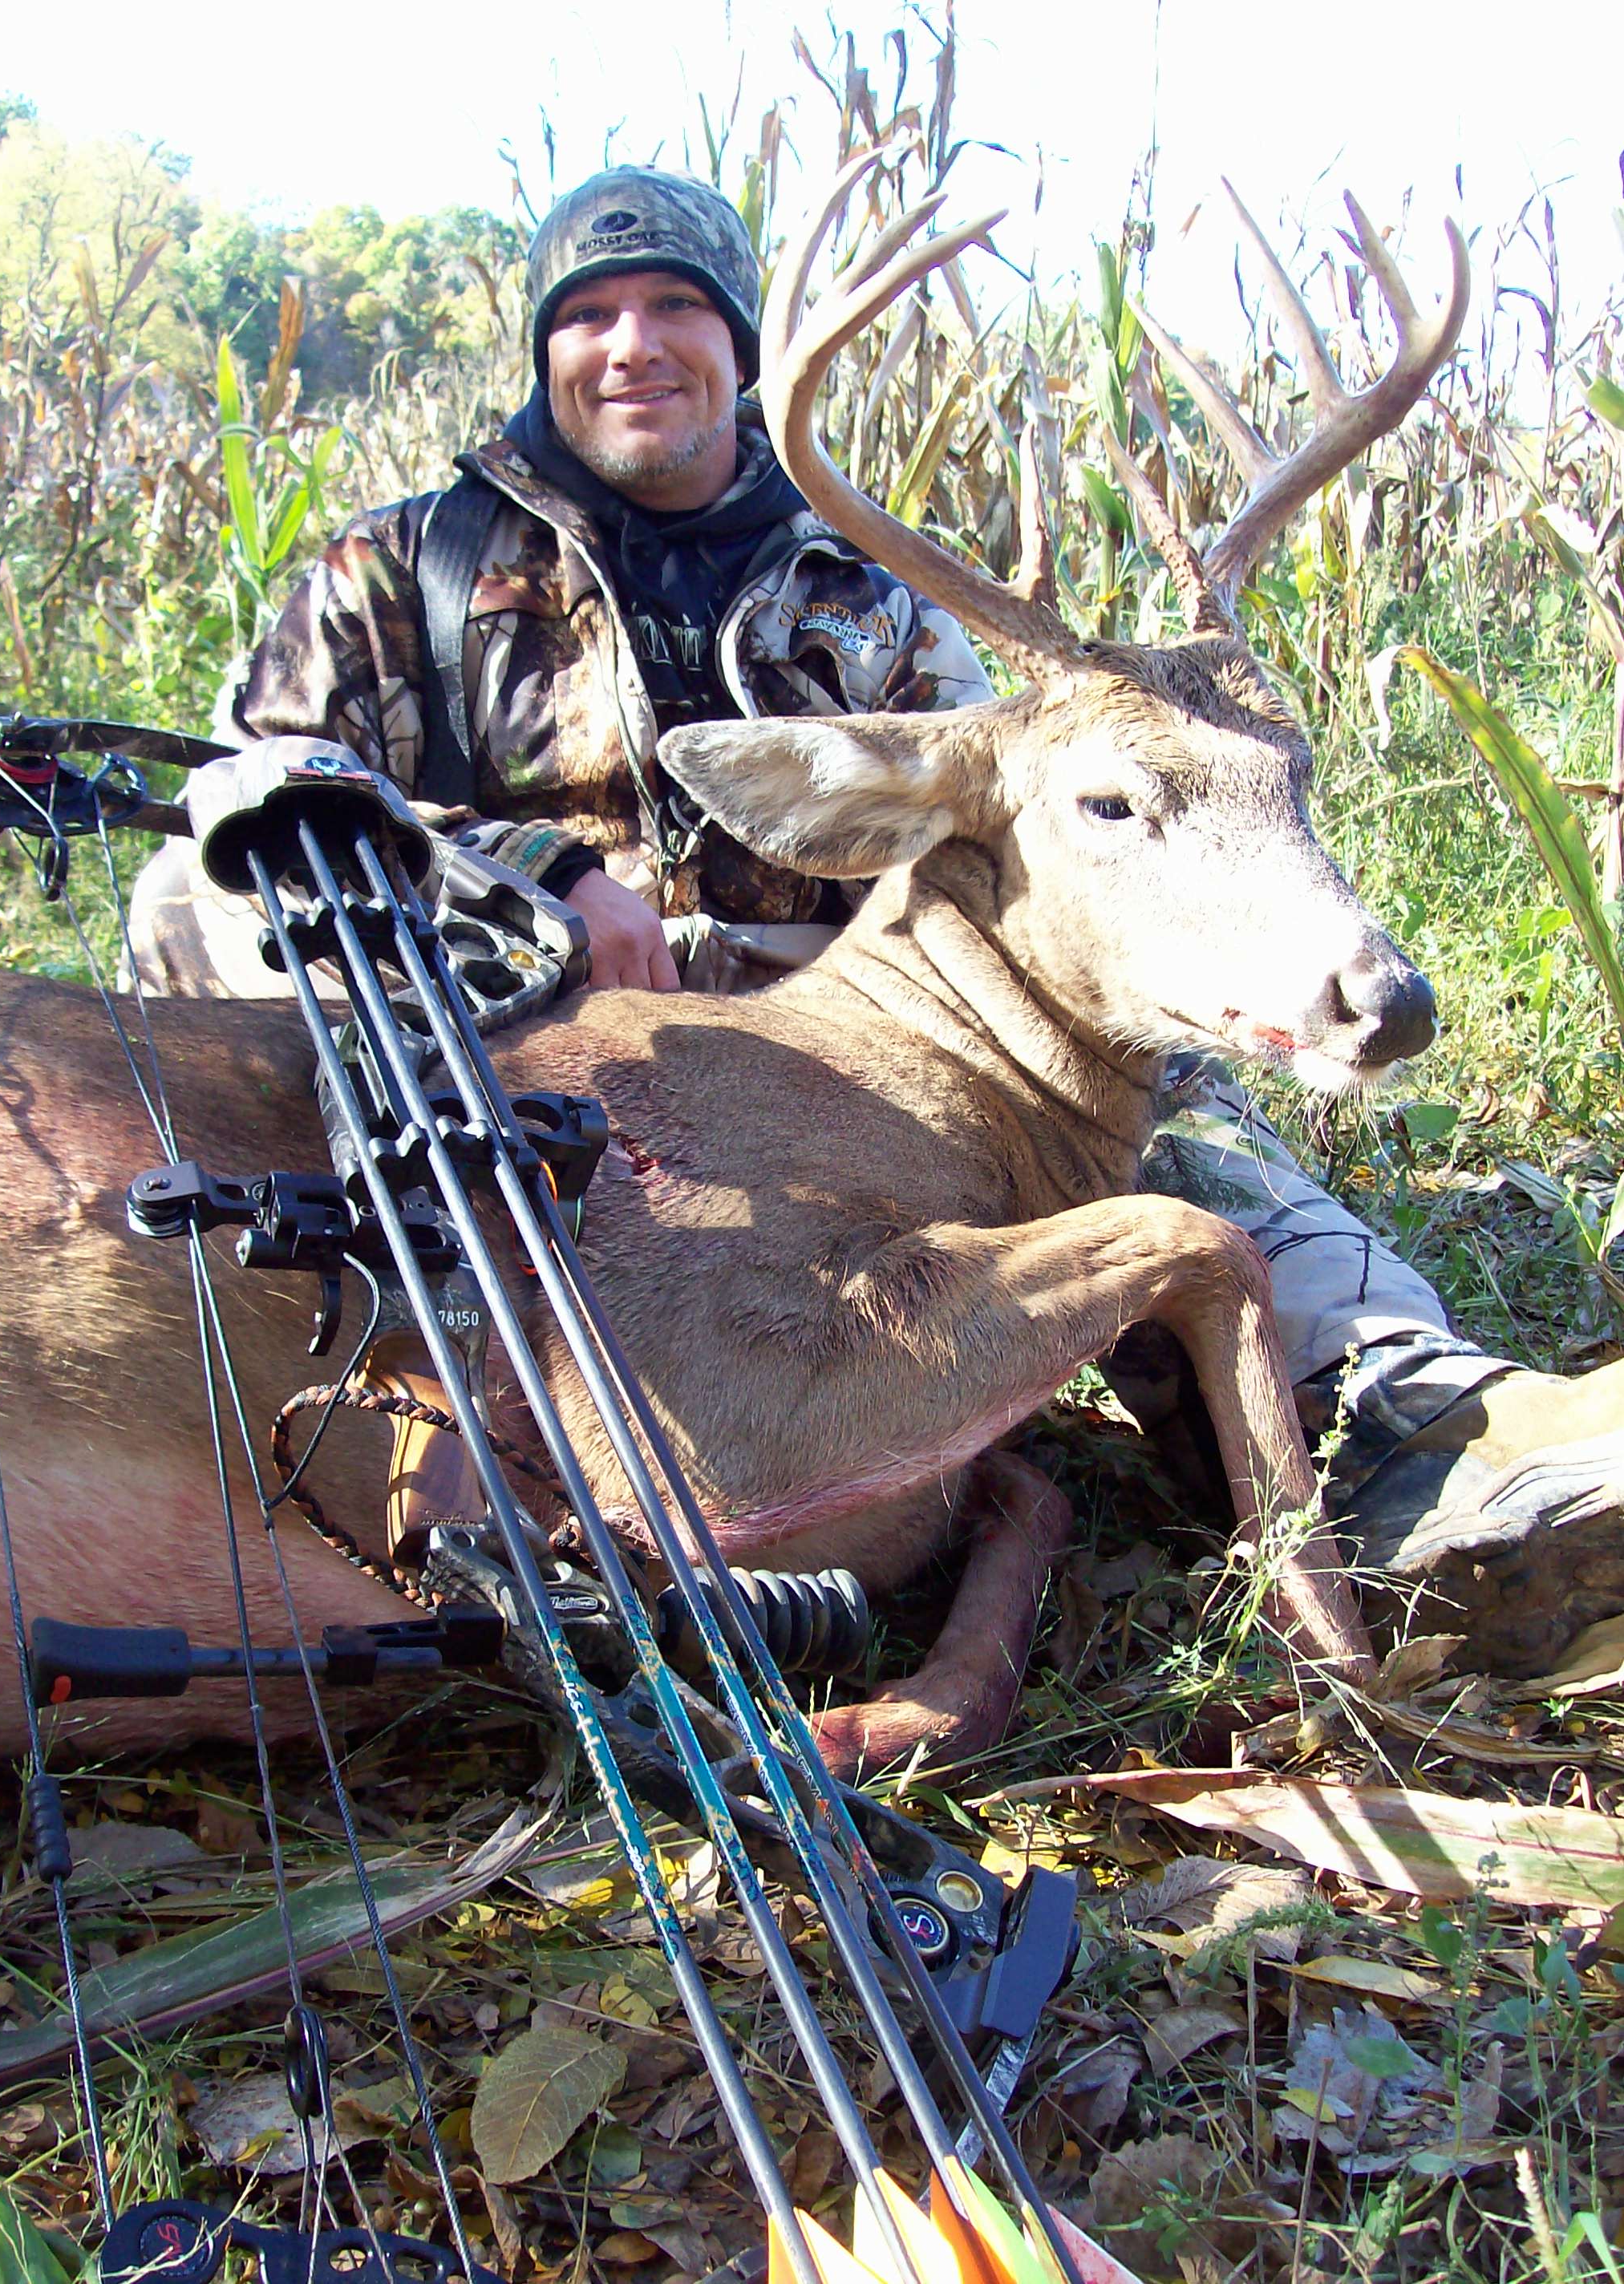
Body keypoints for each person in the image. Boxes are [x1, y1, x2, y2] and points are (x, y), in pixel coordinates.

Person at [130, 164, 1623, 1676]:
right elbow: (246, 783)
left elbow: (1008, 832)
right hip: (495, 1009)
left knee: (1156, 1104)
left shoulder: (867, 590)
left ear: (737, 344)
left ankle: (1421, 1422)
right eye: (589, 313)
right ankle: (242, 1263)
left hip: (830, 1033)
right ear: (546, 349)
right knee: (191, 891)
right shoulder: (402, 568)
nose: (633, 343)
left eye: (675, 305)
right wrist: (535, 871)